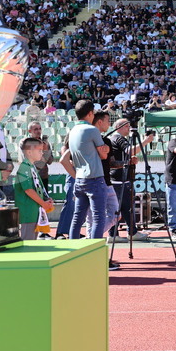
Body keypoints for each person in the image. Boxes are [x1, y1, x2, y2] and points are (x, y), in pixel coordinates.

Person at [67, 100, 112, 264]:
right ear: (91, 113)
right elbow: (104, 154)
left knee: (78, 217)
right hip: (94, 178)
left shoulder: (72, 131)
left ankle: (71, 252)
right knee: (99, 217)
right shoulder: (92, 130)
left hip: (79, 178)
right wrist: (103, 150)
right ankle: (94, 256)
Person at [108, 117, 151, 242]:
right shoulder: (118, 138)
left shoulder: (113, 139)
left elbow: (127, 153)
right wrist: (145, 141)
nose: (129, 129)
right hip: (119, 178)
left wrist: (130, 160)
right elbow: (130, 150)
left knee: (121, 207)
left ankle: (125, 232)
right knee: (124, 207)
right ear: (119, 127)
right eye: (127, 126)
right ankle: (118, 234)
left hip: (117, 177)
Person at [14, 137, 55, 241]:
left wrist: (46, 199)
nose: (42, 153)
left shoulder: (32, 167)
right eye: (40, 150)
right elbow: (28, 190)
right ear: (29, 152)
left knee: (32, 240)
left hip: (34, 211)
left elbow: (37, 187)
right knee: (28, 241)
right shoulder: (24, 168)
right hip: (28, 212)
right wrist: (43, 203)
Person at [26, 121, 54, 191]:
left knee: (45, 200)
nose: (38, 131)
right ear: (30, 131)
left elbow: (50, 161)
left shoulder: (45, 143)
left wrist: (46, 150)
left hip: (43, 177)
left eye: (39, 129)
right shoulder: (25, 143)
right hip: (30, 178)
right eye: (35, 129)